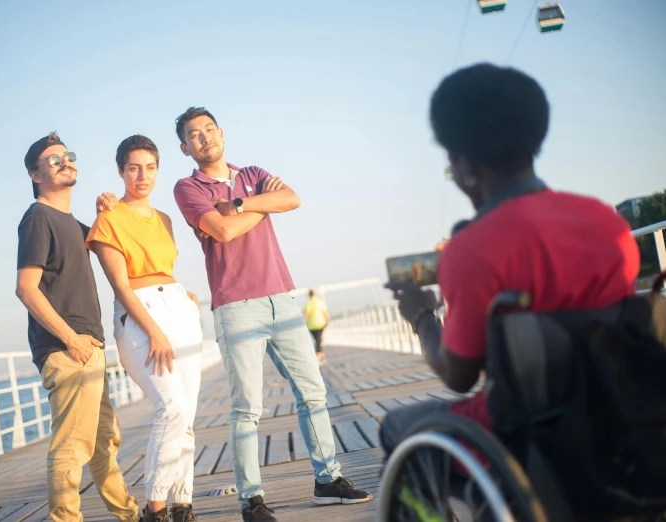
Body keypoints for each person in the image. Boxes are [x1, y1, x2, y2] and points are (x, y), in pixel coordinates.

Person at [379, 63, 640, 455]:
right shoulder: (606, 221)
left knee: (396, 426)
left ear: (464, 164)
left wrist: (421, 315)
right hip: (624, 415)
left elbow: (458, 374)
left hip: (524, 434)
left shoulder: (469, 250)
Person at [172, 107, 372, 522]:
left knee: (313, 391)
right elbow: (223, 230)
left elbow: (293, 199)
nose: (205, 138)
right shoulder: (188, 187)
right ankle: (252, 500)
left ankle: (327, 480)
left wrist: (242, 203)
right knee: (247, 408)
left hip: (282, 298)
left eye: (210, 129)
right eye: (195, 135)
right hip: (236, 306)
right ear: (185, 147)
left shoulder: (251, 173)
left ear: (222, 133)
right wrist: (268, 205)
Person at [15, 132, 141, 522]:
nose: (65, 161)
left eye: (68, 155)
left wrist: (109, 208)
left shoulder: (73, 223)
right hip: (69, 349)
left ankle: (130, 515)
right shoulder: (38, 218)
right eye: (53, 160)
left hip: (89, 348)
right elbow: (26, 289)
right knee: (72, 446)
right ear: (36, 174)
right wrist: (71, 340)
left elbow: (119, 251)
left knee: (104, 442)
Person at [86, 135, 204, 522]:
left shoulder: (165, 219)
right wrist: (154, 330)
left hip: (179, 312)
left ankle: (182, 504)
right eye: (133, 167)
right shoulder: (109, 217)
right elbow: (121, 284)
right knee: (170, 409)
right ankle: (155, 510)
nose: (142, 176)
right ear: (121, 170)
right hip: (140, 319)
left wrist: (180, 294)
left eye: (150, 167)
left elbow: (162, 269)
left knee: (186, 416)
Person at [303, 289, 330, 362]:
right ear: (315, 294)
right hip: (321, 324)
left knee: (317, 340)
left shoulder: (307, 304)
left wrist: (304, 325)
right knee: (318, 340)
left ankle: (320, 355)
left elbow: (305, 316)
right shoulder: (320, 302)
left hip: (311, 326)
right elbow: (325, 313)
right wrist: (327, 321)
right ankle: (320, 355)